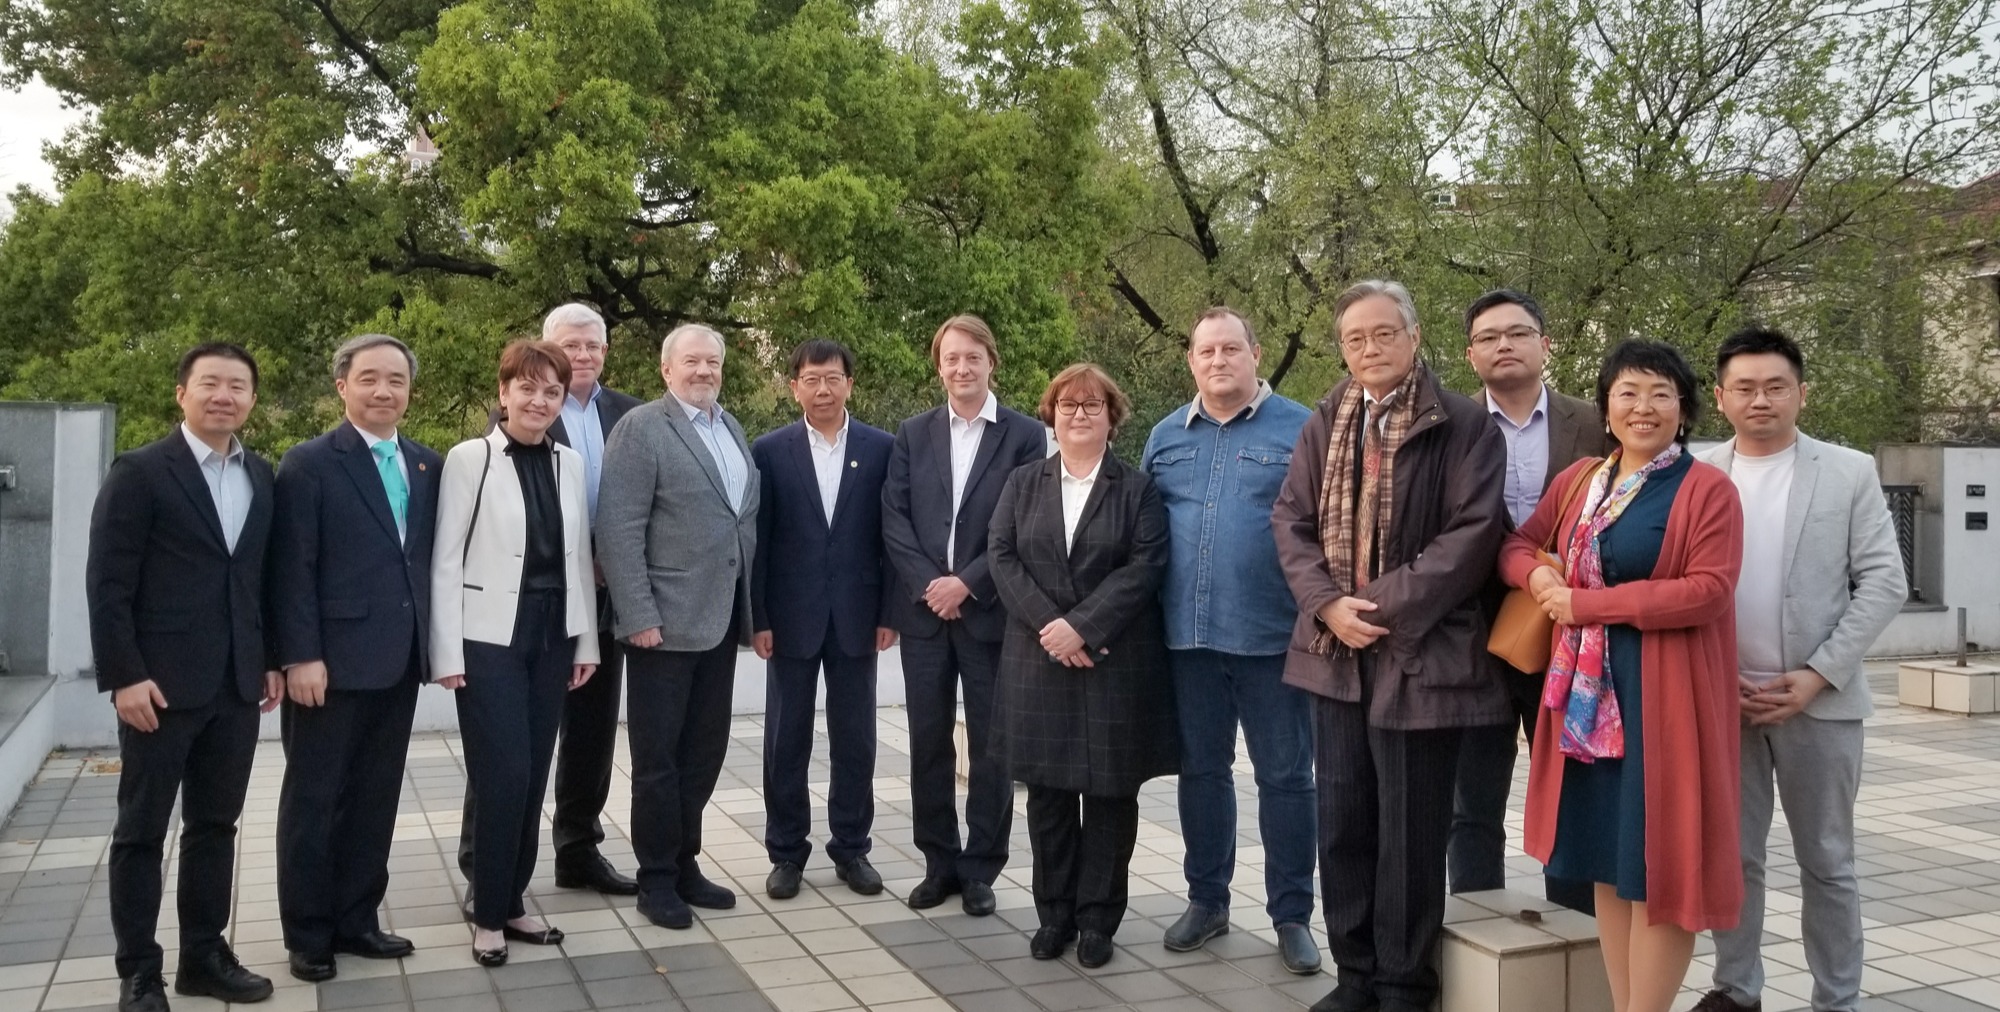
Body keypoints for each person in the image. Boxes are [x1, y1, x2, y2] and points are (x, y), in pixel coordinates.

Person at [1271, 280, 1511, 1012]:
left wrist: (1374, 608)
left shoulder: (1464, 425)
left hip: (1420, 656)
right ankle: (1356, 976)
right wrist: (1326, 605)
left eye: (1383, 333)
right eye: (1355, 338)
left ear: (1413, 336)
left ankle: (1405, 984)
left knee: (1411, 832)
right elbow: (1291, 521)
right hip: (1335, 653)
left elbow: (1471, 538)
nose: (1369, 348)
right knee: (1343, 822)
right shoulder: (1326, 420)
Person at [1498, 339, 1744, 1012]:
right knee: (1610, 861)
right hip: (1588, 706)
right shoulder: (1581, 480)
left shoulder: (1706, 489)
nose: (1644, 407)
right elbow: (1516, 545)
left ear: (1685, 410)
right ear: (1605, 407)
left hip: (1664, 699)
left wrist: (1588, 606)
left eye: (1662, 394)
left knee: (1660, 870)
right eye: (1628, 392)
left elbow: (1708, 591)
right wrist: (1539, 576)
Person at [1692, 327, 1905, 1012]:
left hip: (1820, 701)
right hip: (1724, 699)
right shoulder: (1695, 473)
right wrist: (1713, 677)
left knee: (1829, 861)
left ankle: (1837, 999)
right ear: (1720, 397)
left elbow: (1884, 582)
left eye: (1775, 386)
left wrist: (1817, 674)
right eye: (1745, 387)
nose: (1761, 399)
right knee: (1733, 857)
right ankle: (1736, 989)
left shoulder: (1848, 471)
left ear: (1802, 393)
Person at [88, 344, 282, 1012]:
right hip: (159, 688)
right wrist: (124, 676)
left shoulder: (262, 474)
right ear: (182, 393)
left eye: (237, 386)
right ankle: (139, 972)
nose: (224, 396)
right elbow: (108, 584)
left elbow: (260, 578)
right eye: (210, 384)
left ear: (251, 399)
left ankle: (203, 955)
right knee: (141, 831)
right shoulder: (141, 472)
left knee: (215, 826)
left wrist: (270, 657)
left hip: (236, 685)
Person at [1140, 308, 1320, 973]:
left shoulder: (1302, 429)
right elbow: (1143, 532)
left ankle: (1292, 916)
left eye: (1231, 349)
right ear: (1191, 360)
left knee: (1286, 779)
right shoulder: (1165, 436)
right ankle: (1207, 901)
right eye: (1206, 351)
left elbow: (1325, 529)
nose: (1218, 360)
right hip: (1187, 641)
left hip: (1275, 639)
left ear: (1256, 354)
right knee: (1202, 773)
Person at [989, 364, 1176, 969]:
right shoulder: (1023, 482)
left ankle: (1098, 921)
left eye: (1092, 405)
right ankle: (1054, 915)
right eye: (1067, 405)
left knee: (1109, 797)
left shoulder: (1138, 489)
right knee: (1047, 796)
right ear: (1051, 415)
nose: (1078, 414)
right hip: (1039, 658)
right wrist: (1053, 627)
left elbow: (1145, 566)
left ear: (1111, 417)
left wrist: (1084, 627)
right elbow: (1001, 555)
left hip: (1111, 660)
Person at [270, 334, 441, 982]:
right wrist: (300, 656)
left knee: (375, 796)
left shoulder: (425, 464)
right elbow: (292, 569)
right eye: (369, 378)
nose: (383, 391)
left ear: (410, 390)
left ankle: (357, 919)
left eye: (396, 379)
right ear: (342, 385)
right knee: (314, 800)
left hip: (398, 660)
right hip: (329, 667)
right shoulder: (309, 463)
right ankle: (308, 933)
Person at [457, 303, 644, 897]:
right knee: (505, 744)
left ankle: (578, 848)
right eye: (571, 344)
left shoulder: (632, 415)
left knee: (593, 731)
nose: (583, 354)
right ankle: (482, 867)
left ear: (605, 353)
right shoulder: (517, 419)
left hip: (606, 594)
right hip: (524, 601)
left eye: (593, 345)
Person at [431, 340, 601, 966]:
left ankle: (512, 900)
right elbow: (446, 558)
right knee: (501, 774)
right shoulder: (469, 458)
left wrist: (586, 642)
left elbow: (579, 558)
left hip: (552, 635)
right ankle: (487, 912)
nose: (539, 401)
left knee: (532, 774)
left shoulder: (569, 462)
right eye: (526, 388)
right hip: (488, 639)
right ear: (503, 393)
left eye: (551, 391)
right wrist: (446, 652)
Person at [1450, 289, 1613, 912]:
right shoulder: (1448, 427)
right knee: (1472, 804)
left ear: (1546, 345)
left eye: (1518, 333)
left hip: (1574, 637)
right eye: (1488, 337)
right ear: (1471, 355)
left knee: (1571, 795)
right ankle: (1476, 932)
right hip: (1472, 638)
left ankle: (1574, 932)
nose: (1504, 346)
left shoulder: (1597, 423)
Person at [881, 314, 1048, 916]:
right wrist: (931, 586)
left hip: (989, 612)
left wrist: (967, 584)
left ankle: (981, 867)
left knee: (991, 746)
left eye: (973, 357)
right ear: (939, 367)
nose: (962, 368)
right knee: (927, 741)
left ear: (991, 363)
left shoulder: (1024, 435)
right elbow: (894, 517)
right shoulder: (913, 433)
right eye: (951, 358)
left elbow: (1022, 522)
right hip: (925, 614)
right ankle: (938, 861)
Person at [598, 323, 759, 930]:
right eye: (691, 361)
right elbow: (618, 528)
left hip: (719, 620)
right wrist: (638, 614)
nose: (703, 371)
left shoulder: (729, 426)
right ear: (666, 370)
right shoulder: (642, 428)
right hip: (662, 627)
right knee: (658, 760)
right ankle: (656, 878)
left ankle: (686, 861)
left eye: (712, 362)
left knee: (704, 752)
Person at [751, 339, 897, 900]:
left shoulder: (881, 448)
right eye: (811, 380)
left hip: (859, 615)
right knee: (786, 738)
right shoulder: (770, 450)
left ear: (849, 385)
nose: (823, 389)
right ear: (794, 388)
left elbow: (890, 538)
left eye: (833, 378)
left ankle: (852, 848)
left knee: (855, 738)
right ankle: (786, 851)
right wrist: (759, 617)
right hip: (790, 616)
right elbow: (760, 540)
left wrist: (889, 612)